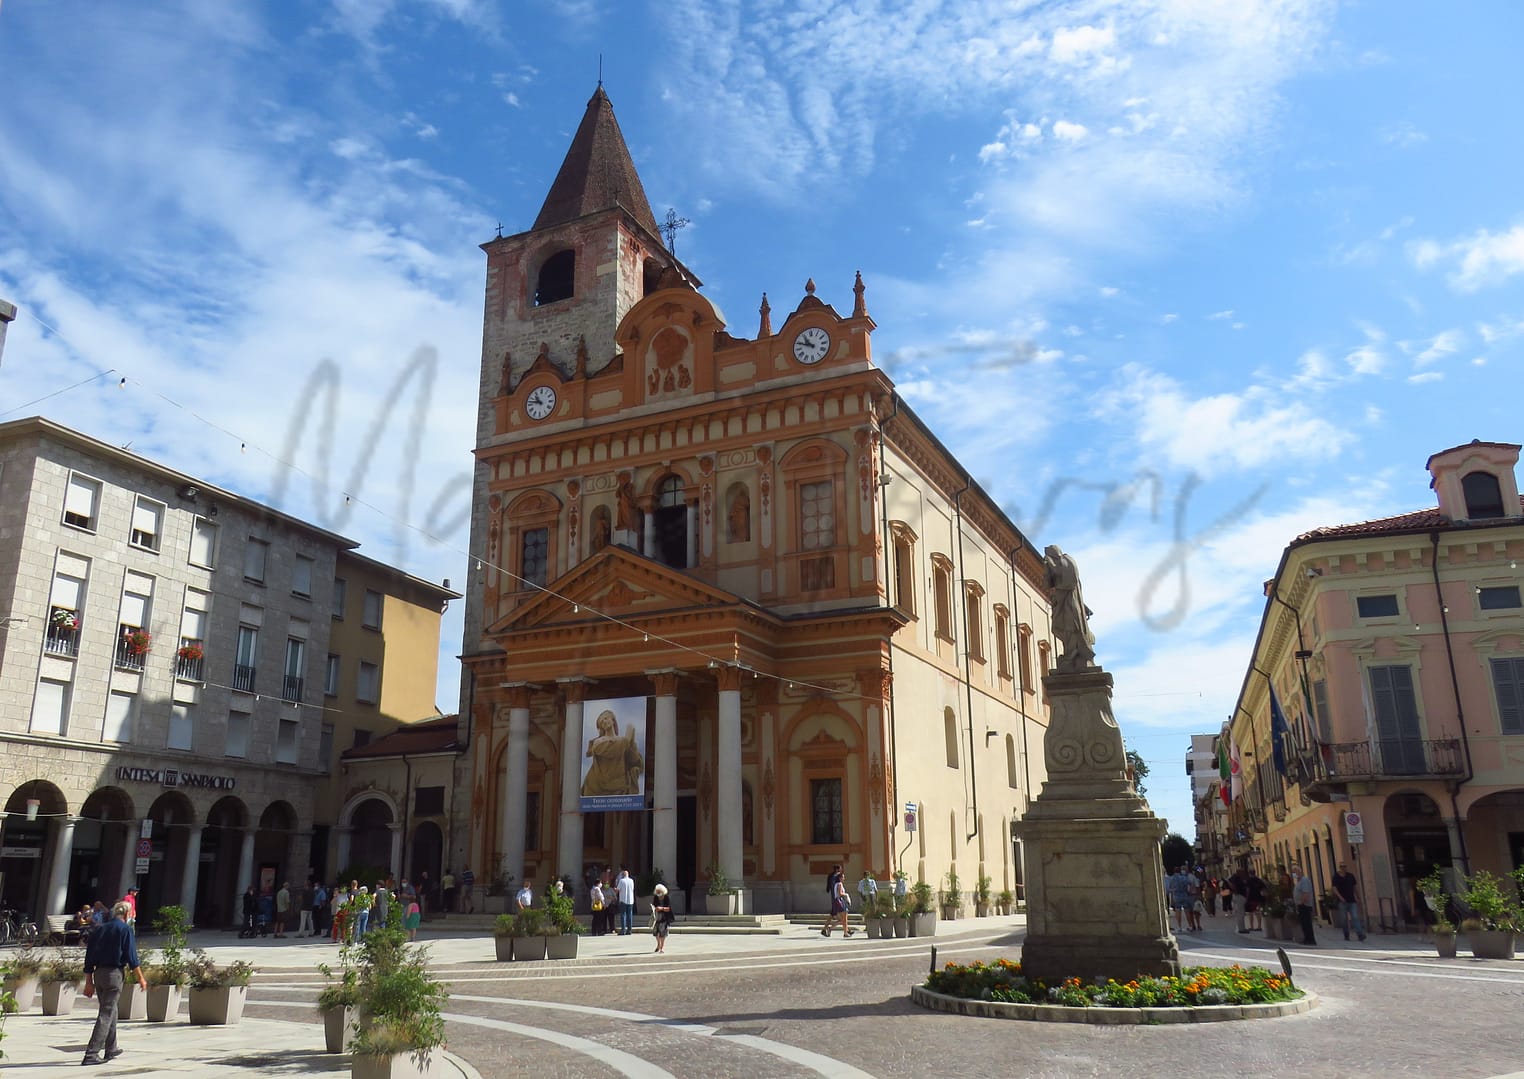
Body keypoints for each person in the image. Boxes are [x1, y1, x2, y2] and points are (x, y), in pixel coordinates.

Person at [81, 900, 147, 1066]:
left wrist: (89, 982)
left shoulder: (99, 929)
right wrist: (141, 978)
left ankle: (111, 1047)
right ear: (126, 914)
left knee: (111, 1009)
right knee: (106, 1013)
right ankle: (91, 1053)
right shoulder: (125, 929)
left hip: (99, 974)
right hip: (114, 974)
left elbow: (89, 958)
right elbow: (132, 958)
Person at [581, 709, 645, 797]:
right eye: (601, 722)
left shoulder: (623, 741)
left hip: (621, 788)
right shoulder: (598, 742)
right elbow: (613, 750)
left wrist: (632, 743)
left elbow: (635, 761)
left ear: (613, 720)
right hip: (597, 788)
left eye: (606, 718)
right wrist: (628, 739)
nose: (604, 721)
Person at [1331, 862, 1366, 941]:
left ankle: (1360, 934)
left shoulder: (1350, 876)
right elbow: (1334, 889)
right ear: (1339, 867)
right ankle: (1346, 934)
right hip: (1342, 902)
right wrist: (1340, 897)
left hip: (1351, 900)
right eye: (1342, 866)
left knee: (1355, 917)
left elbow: (1354, 887)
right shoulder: (1336, 877)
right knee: (1344, 919)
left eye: (1345, 866)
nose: (1343, 868)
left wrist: (1357, 896)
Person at [822, 864, 853, 937]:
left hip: (836, 899)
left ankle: (845, 930)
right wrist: (847, 895)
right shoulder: (836, 880)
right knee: (842, 917)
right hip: (837, 900)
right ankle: (844, 931)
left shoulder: (833, 878)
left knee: (838, 916)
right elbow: (839, 892)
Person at [1290, 864, 1317, 946]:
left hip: (1305, 905)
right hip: (1301, 905)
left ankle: (1310, 940)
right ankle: (1307, 938)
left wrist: (1301, 903)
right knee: (1304, 923)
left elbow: (1305, 893)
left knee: (1307, 923)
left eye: (1294, 872)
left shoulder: (1304, 880)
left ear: (1299, 871)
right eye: (1293, 872)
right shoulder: (1299, 881)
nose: (1294, 874)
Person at [1165, 865, 1192, 932]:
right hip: (1184, 895)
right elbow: (1189, 884)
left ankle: (1179, 926)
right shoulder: (1184, 877)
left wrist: (1173, 890)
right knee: (1187, 911)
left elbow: (1169, 888)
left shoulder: (1171, 878)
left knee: (1178, 911)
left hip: (1176, 896)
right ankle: (1190, 926)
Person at [651, 883, 673, 953]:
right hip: (657, 917)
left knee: (662, 933)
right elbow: (654, 905)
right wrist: (654, 908)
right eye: (657, 892)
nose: (658, 893)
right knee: (655, 932)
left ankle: (661, 947)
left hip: (664, 917)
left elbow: (669, 908)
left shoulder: (666, 897)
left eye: (659, 892)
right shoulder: (655, 897)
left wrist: (661, 908)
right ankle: (658, 944)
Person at [1244, 868, 1266, 933]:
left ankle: (1252, 926)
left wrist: (1246, 898)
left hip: (1251, 898)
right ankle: (1259, 926)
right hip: (1258, 898)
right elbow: (1263, 889)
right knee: (1257, 912)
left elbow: (1247, 890)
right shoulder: (1259, 880)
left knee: (1251, 913)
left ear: (1249, 873)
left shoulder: (1248, 880)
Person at [616, 867, 635, 935]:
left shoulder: (621, 881)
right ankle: (629, 930)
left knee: (623, 915)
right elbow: (632, 889)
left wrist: (615, 890)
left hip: (623, 899)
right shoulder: (631, 880)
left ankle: (623, 930)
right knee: (629, 915)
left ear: (623, 875)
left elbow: (618, 889)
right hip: (630, 900)